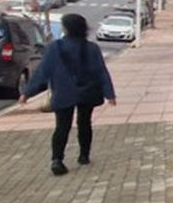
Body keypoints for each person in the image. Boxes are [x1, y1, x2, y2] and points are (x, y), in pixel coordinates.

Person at [19, 13, 116, 175]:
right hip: (87, 91)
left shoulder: (55, 48)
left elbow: (43, 72)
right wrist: (109, 93)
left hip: (64, 91)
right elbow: (101, 72)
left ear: (66, 28)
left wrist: (28, 93)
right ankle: (84, 155)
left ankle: (57, 159)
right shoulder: (92, 48)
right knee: (85, 123)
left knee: (62, 126)